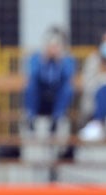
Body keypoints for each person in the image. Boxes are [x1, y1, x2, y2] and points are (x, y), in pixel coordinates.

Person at [22, 26, 76, 158]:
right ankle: (31, 118)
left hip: (56, 101)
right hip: (40, 100)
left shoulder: (67, 60)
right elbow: (33, 75)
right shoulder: (36, 58)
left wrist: (59, 61)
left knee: (67, 89)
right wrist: (44, 60)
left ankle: (57, 119)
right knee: (31, 87)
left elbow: (67, 76)